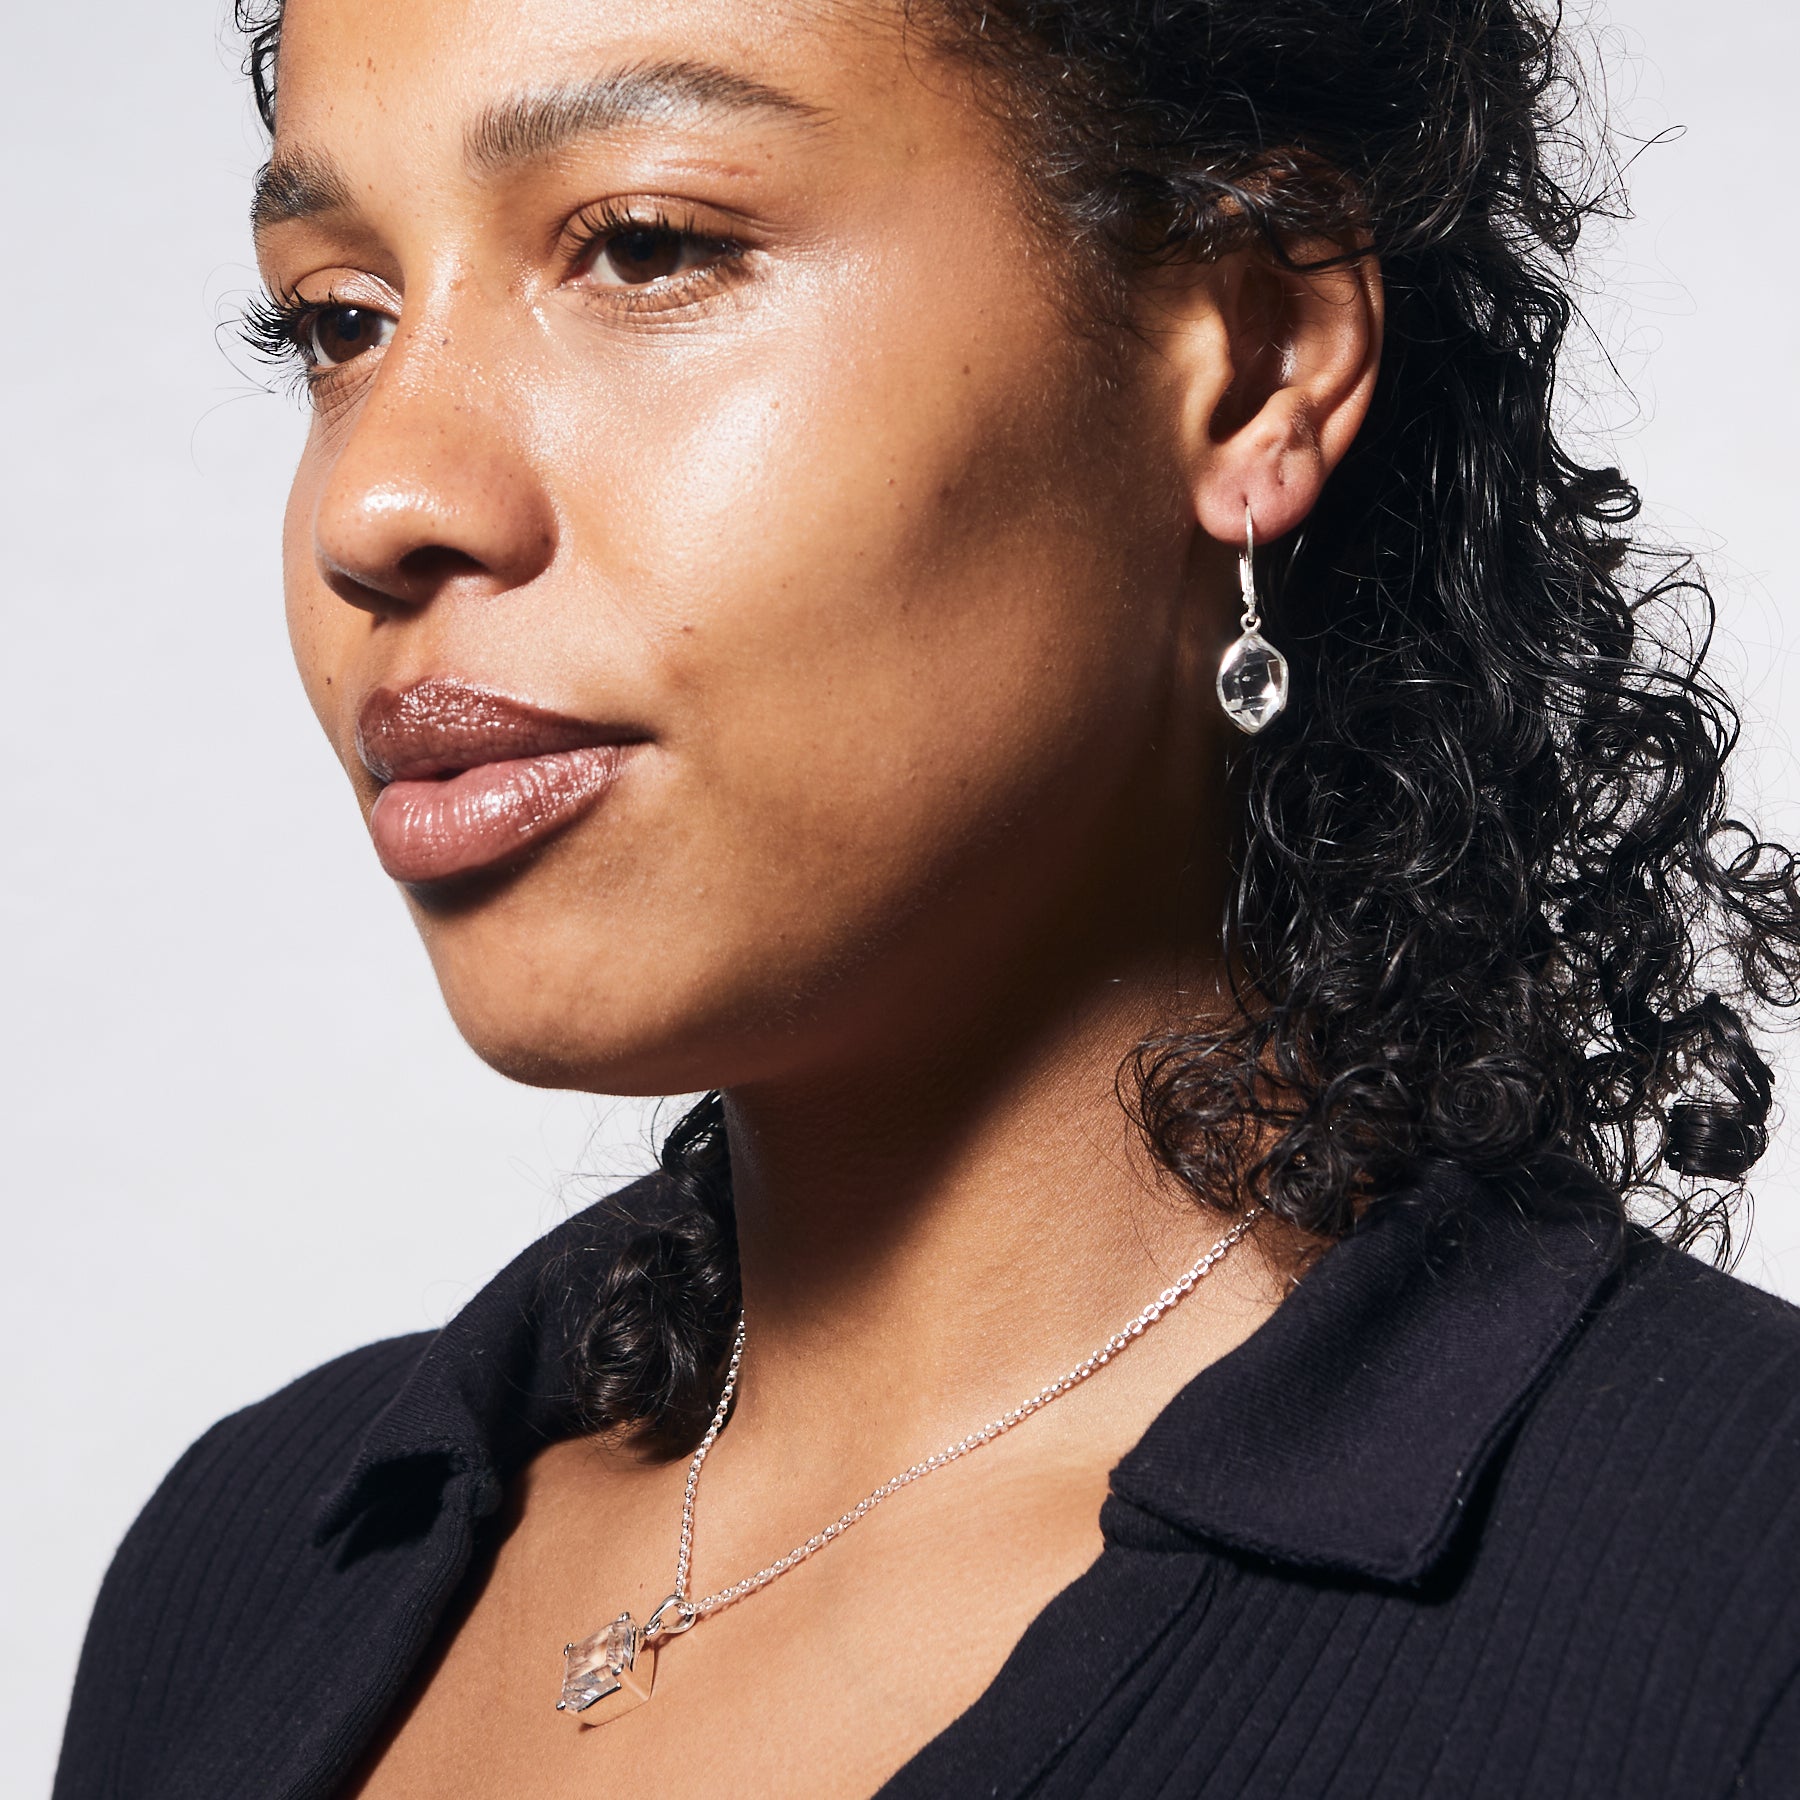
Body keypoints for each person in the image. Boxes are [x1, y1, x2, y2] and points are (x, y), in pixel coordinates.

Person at [53, 0, 1800, 1794]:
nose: (376, 500)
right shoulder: (247, 1565)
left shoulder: (1734, 1619)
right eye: (339, 318)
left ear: (1255, 360)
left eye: (645, 246)